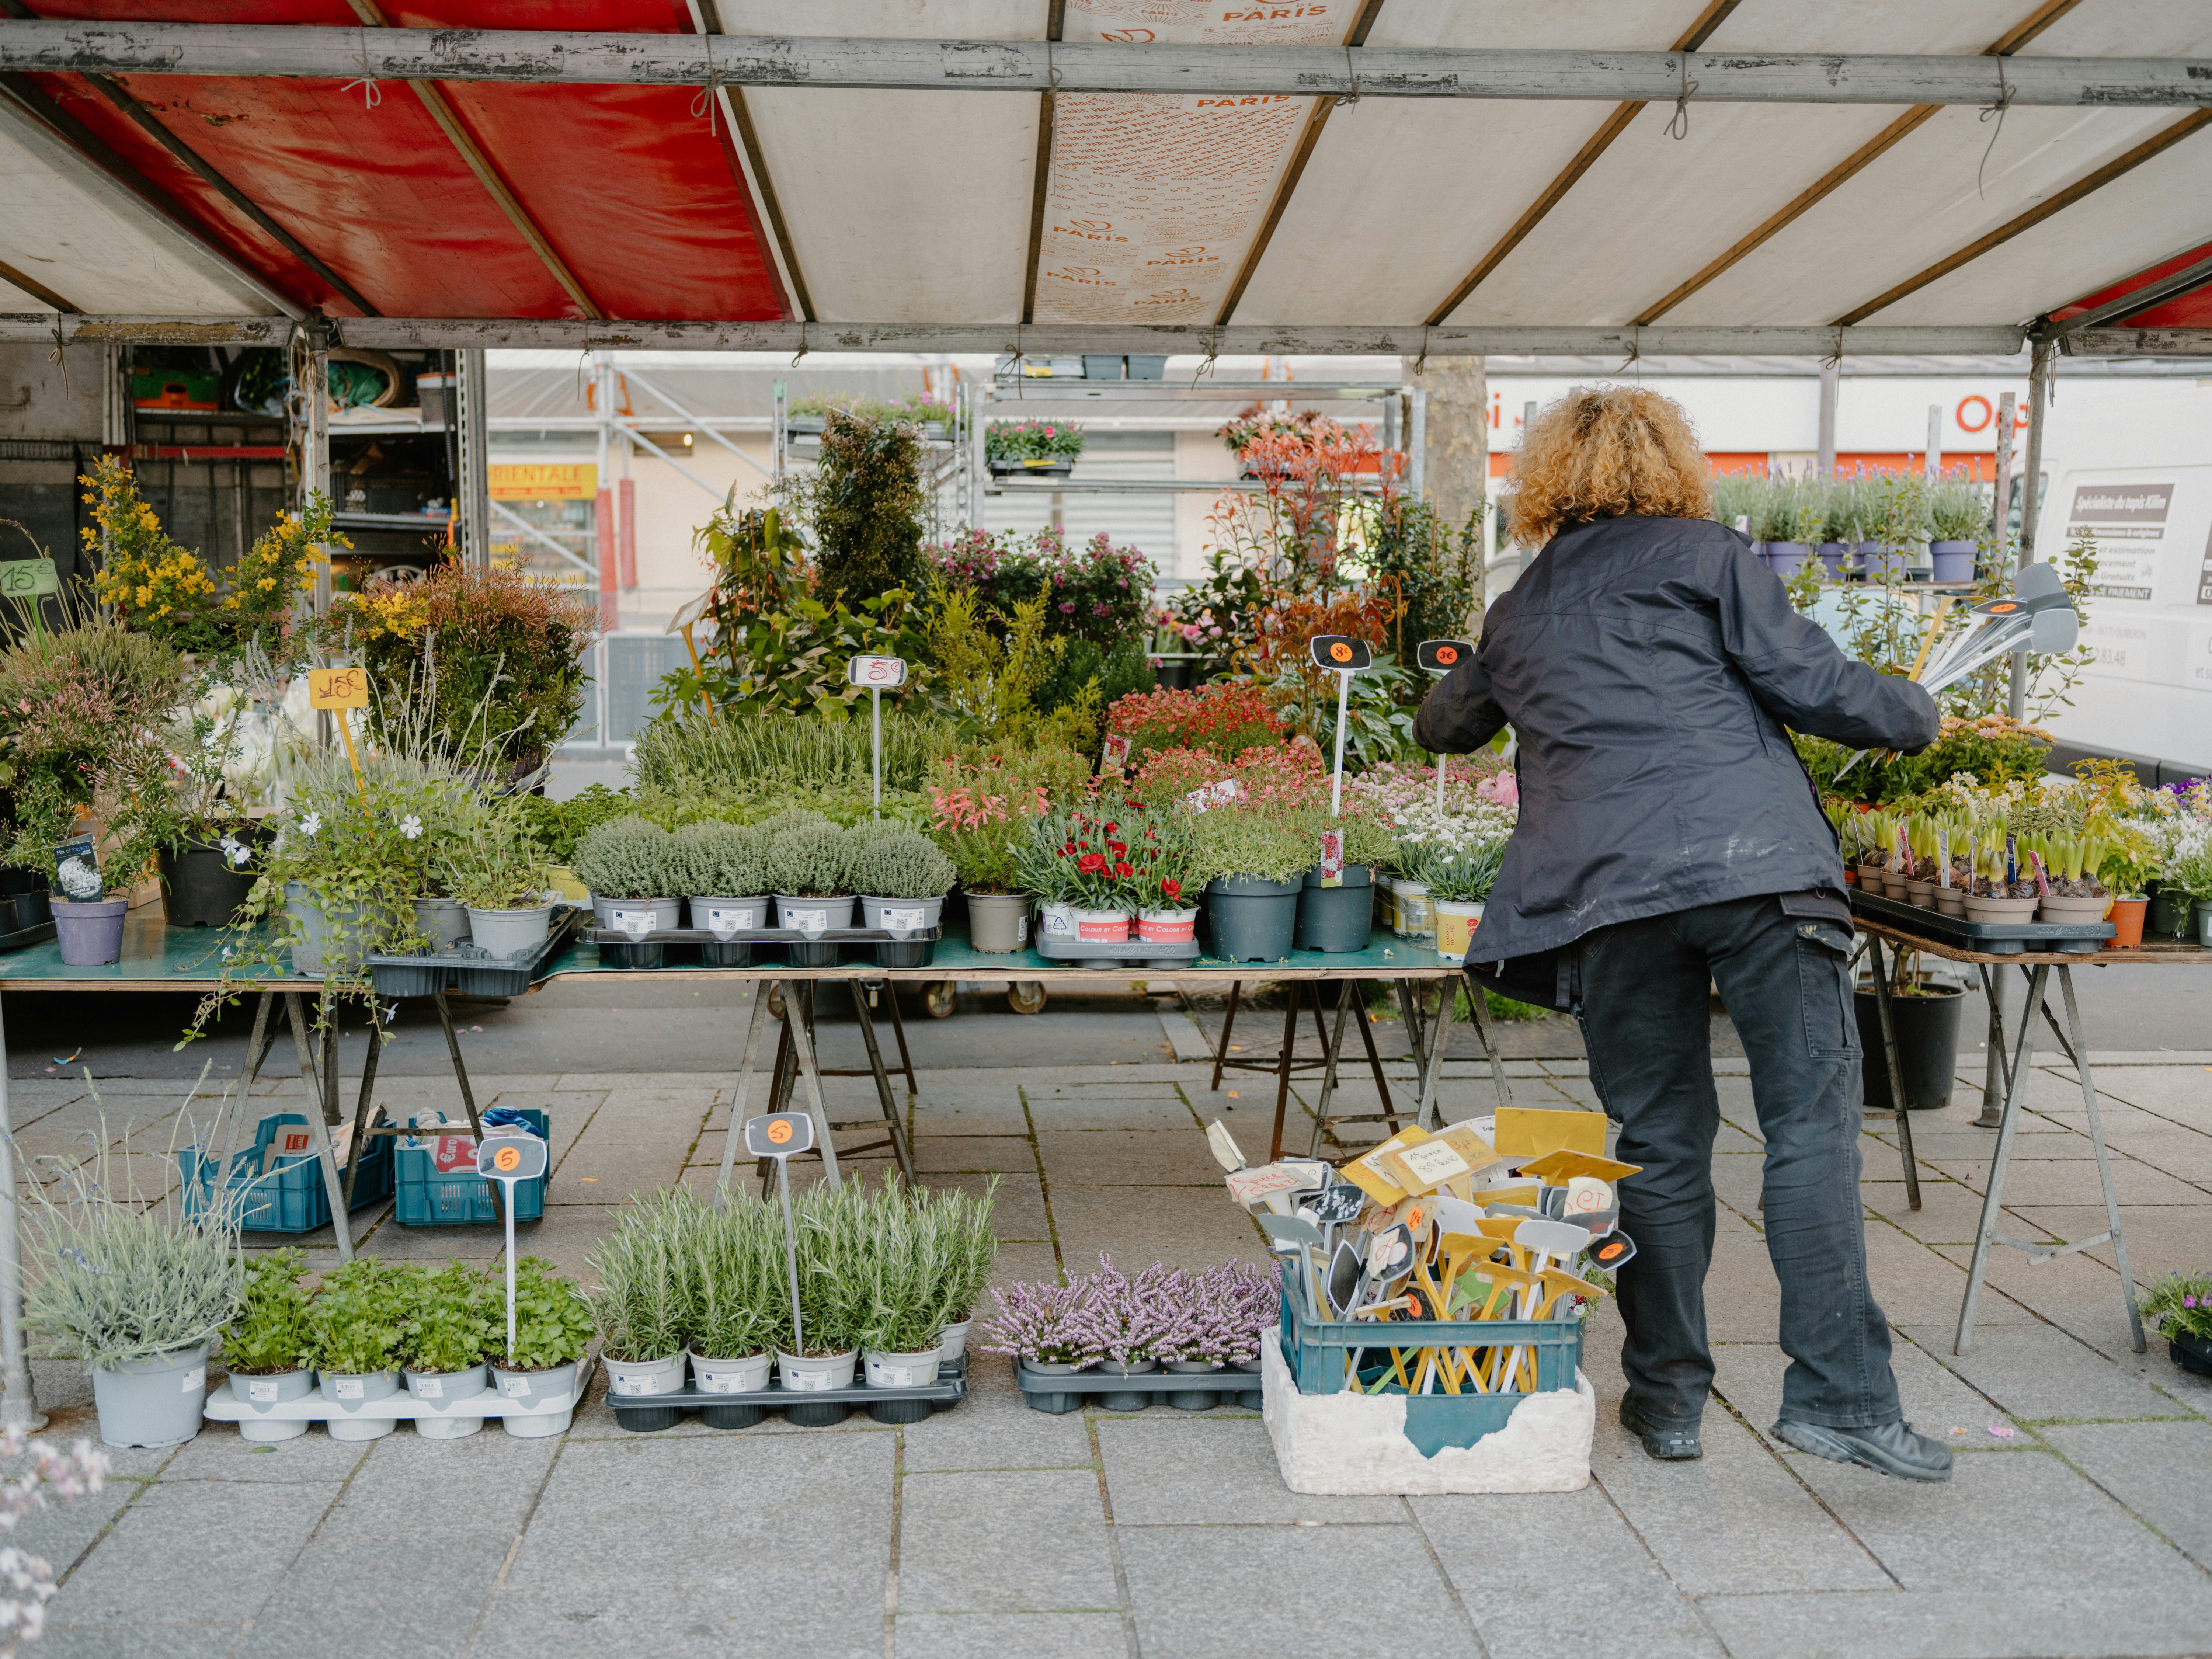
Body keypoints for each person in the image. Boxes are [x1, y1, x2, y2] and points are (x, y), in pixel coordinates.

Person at [1414, 387, 1952, 1483]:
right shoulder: (1710, 556)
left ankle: (1666, 1401)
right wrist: (1918, 711)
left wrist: (1485, 672)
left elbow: (1443, 726)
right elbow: (1811, 682)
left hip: (1607, 897)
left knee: (1657, 1142)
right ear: (1673, 465)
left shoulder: (1519, 607)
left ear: (1548, 480)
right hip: (1761, 875)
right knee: (1808, 1127)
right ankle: (1843, 1399)